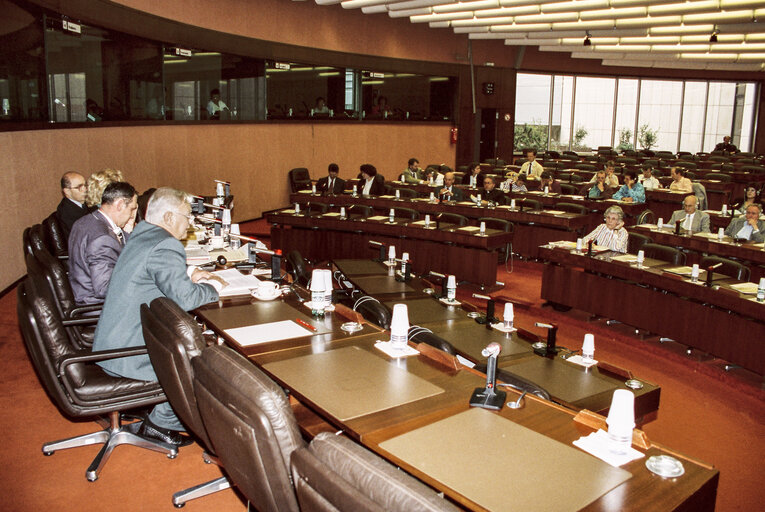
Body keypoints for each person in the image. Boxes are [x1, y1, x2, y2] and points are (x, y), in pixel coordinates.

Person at [93, 188, 226, 447]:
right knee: (200, 361)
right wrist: (215, 288)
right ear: (168, 217)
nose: (190, 223)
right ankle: (161, 423)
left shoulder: (142, 234)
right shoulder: (166, 243)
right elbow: (186, 299)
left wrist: (187, 275)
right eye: (187, 216)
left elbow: (150, 274)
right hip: (129, 353)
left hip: (112, 342)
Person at [68, 182, 138, 305]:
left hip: (82, 293)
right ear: (120, 205)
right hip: (98, 308)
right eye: (132, 208)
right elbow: (104, 288)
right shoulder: (102, 238)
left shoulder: (86, 221)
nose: (133, 214)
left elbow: (119, 256)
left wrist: (127, 231)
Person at [56, 171, 90, 236]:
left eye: (85, 185)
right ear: (67, 191)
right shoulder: (66, 213)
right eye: (79, 187)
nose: (85, 190)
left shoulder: (87, 203)